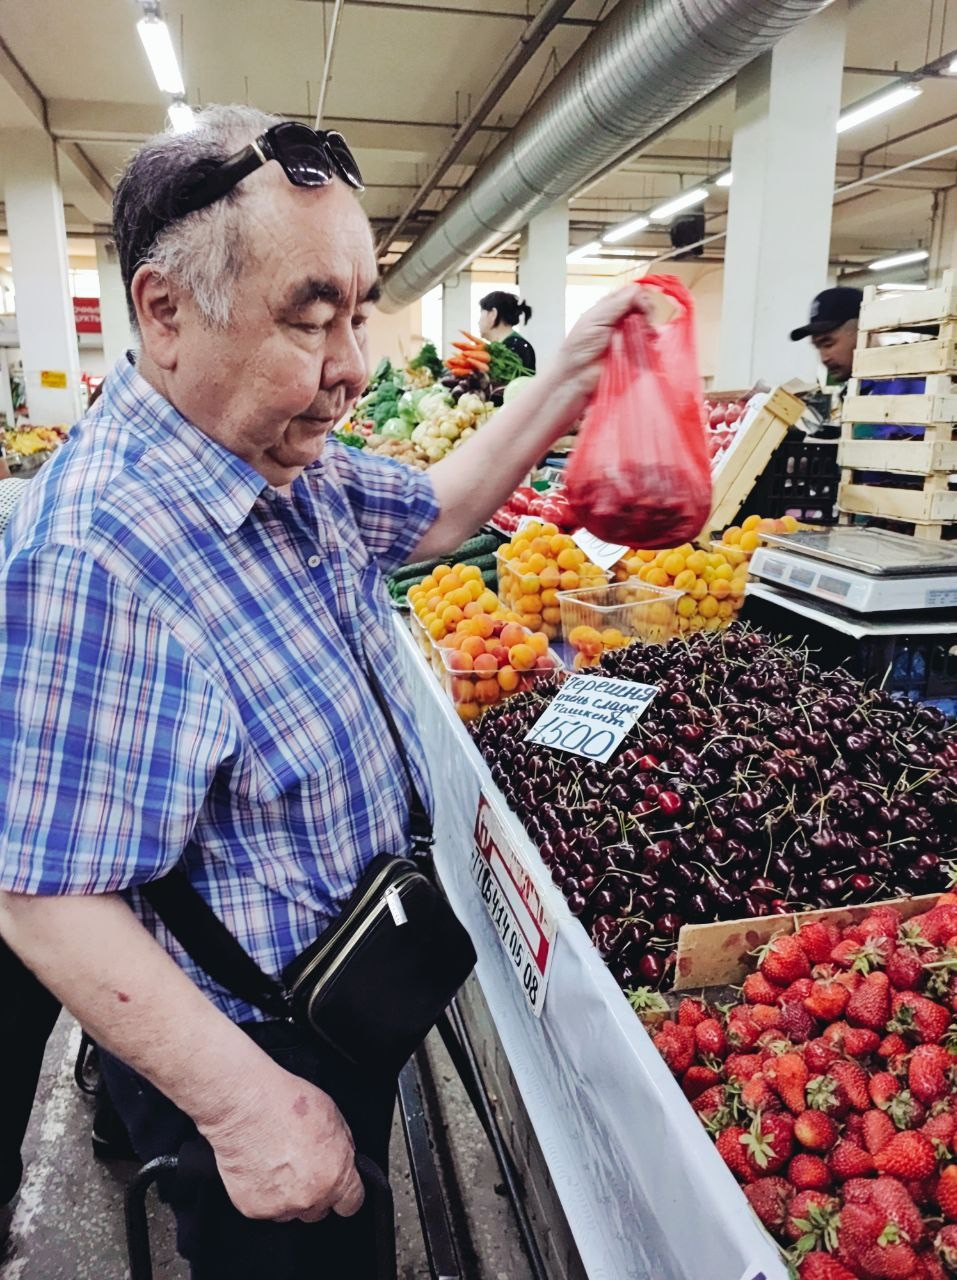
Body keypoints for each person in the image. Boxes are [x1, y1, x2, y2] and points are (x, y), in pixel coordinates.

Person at [0, 105, 648, 1279]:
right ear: (165, 310)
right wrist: (249, 1108)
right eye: (311, 317)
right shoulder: (98, 555)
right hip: (250, 1040)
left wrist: (567, 376)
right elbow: (44, 896)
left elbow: (441, 512)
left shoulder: (279, 455)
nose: (351, 364)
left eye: (358, 311)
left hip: (344, 987)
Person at [478, 290, 536, 371]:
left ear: (493, 314)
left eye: (481, 313)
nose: (479, 322)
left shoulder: (514, 347)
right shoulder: (507, 346)